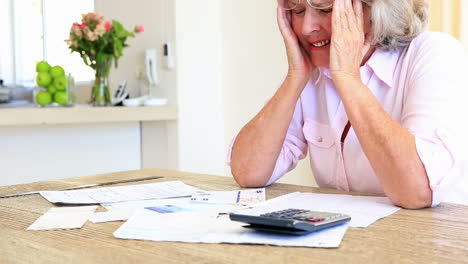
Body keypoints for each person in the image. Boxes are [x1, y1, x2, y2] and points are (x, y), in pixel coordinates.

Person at [228, 0, 468, 209]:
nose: (306, 27)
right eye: (297, 11)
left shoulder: (436, 53)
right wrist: (295, 77)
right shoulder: (312, 71)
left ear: (375, 10)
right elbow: (249, 173)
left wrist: (347, 76)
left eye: (325, 9)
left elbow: (417, 191)